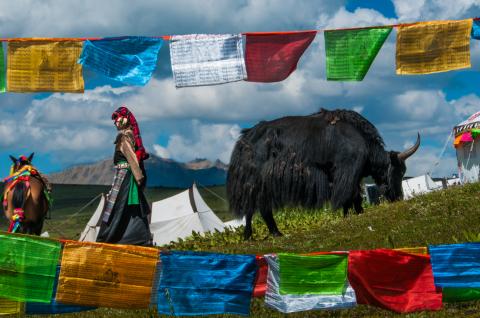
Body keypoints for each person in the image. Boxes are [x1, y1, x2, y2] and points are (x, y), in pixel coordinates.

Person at [96, 106, 152, 246]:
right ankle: (140, 238)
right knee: (128, 207)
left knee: (116, 206)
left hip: (125, 176)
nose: (115, 122)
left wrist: (139, 178)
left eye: (117, 119)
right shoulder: (128, 134)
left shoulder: (124, 136)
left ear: (125, 119)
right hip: (125, 175)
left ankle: (107, 239)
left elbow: (132, 158)